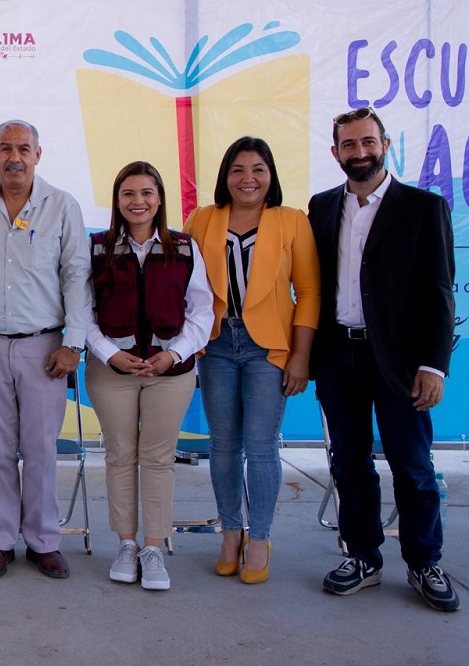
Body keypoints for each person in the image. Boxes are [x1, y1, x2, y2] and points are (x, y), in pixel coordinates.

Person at [309, 108, 459, 611]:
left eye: (367, 142)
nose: (359, 152)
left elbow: (439, 293)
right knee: (348, 463)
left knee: (412, 466)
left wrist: (433, 365)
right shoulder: (322, 207)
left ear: (386, 143)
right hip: (338, 358)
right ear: (335, 153)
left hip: (399, 361)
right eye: (348, 145)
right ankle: (363, 557)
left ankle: (424, 562)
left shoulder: (423, 207)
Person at [0, 120, 92, 580]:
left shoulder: (62, 206)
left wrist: (74, 343)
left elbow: (77, 275)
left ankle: (43, 542)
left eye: (23, 148)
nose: (14, 157)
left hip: (46, 348)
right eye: (5, 148)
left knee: (39, 447)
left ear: (39, 154)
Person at [184, 136, 319, 584]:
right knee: (223, 446)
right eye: (238, 169)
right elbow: (186, 286)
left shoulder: (292, 221)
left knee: (261, 446)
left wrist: (300, 357)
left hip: (270, 348)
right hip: (219, 344)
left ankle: (259, 537)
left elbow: (309, 293)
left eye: (258, 169)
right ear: (226, 175)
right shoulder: (202, 219)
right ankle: (230, 531)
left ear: (271, 174)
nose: (248, 178)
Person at [85, 161, 213, 590]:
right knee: (120, 456)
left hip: (170, 373)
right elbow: (82, 312)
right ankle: (126, 544)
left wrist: (172, 354)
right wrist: (109, 355)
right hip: (112, 372)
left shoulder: (184, 247)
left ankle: (154, 548)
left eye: (146, 193)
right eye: (128, 194)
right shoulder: (98, 248)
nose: (138, 202)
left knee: (158, 459)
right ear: (117, 201)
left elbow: (201, 311)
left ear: (159, 199)